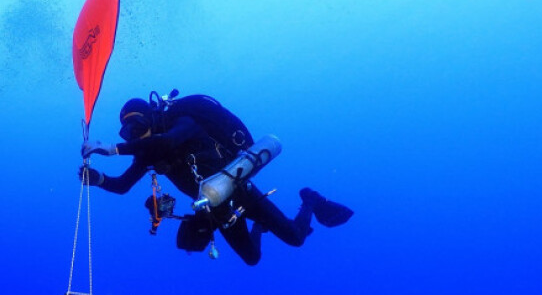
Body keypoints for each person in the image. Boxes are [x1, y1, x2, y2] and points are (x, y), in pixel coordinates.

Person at [80, 92, 352, 266]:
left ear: (152, 118)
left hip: (237, 187)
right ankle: (260, 226)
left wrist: (115, 148)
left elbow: (169, 140)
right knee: (252, 258)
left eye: (137, 127)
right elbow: (123, 185)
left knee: (295, 238)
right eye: (128, 133)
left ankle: (311, 199)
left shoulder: (183, 122)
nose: (135, 136)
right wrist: (98, 178)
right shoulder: (146, 154)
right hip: (215, 206)